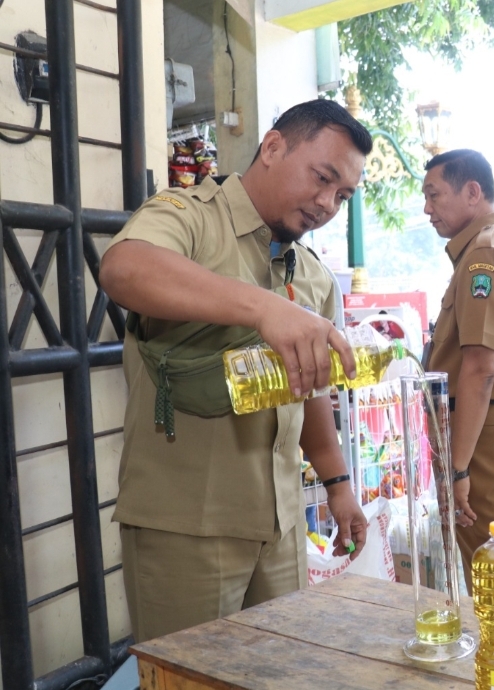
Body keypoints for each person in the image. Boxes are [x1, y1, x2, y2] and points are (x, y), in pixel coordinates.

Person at [99, 99, 373, 642]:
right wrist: (263, 307)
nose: (326, 204)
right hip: (187, 527)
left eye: (343, 195)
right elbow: (123, 268)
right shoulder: (191, 219)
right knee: (192, 678)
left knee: (281, 673)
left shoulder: (313, 277)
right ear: (272, 147)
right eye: (322, 178)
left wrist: (338, 484)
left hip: (282, 522)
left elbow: (311, 389)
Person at [422, 149, 494, 585]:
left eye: (434, 195)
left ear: (473, 192)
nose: (427, 209)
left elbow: (478, 369)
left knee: (486, 567)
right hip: (493, 422)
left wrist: (458, 468)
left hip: (478, 426)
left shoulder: (484, 254)